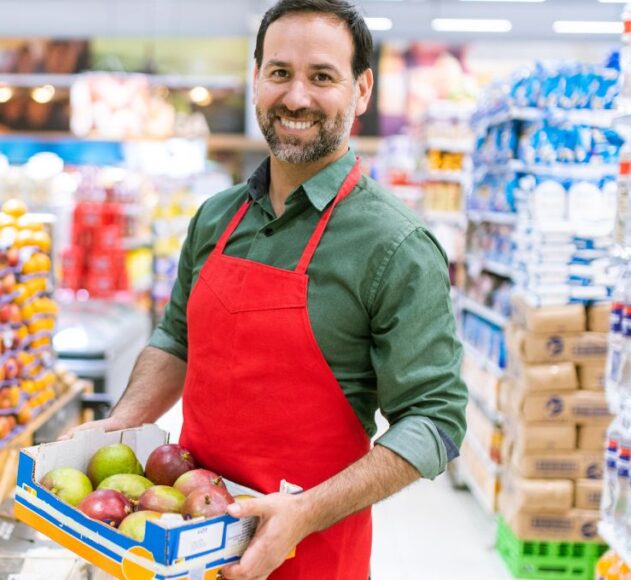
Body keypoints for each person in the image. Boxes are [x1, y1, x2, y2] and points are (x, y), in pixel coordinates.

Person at [64, 1, 468, 577]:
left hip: (311, 551)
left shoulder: (395, 246)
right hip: (186, 536)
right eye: (280, 72)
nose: (296, 97)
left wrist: (306, 511)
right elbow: (176, 337)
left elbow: (435, 419)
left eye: (322, 77)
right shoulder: (216, 218)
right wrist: (120, 423)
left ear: (362, 90)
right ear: (256, 79)